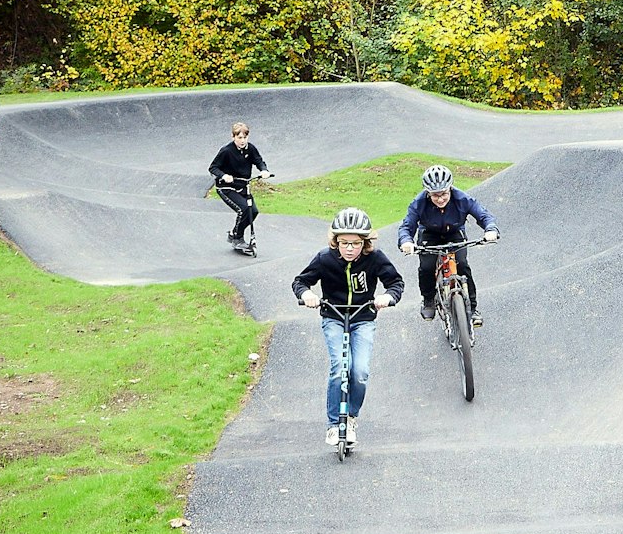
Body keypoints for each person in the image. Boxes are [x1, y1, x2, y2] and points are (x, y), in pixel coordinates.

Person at [294, 208, 404, 448]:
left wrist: (387, 297)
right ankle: (334, 424)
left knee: (360, 371)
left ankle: (350, 418)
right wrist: (307, 294)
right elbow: (300, 281)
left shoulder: (375, 259)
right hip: (333, 317)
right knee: (340, 368)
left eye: (356, 243)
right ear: (336, 241)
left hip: (363, 318)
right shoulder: (325, 258)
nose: (350, 248)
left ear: (365, 243)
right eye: (344, 243)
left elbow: (395, 282)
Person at [398, 165, 498, 325]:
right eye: (435, 195)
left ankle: (472, 309)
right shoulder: (418, 203)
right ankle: (429, 300)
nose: (440, 199)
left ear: (450, 188)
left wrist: (490, 229)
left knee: (463, 266)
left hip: (454, 233)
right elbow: (406, 226)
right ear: (427, 193)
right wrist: (406, 241)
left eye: (444, 194)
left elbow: (484, 215)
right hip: (429, 235)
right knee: (427, 267)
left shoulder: (462, 199)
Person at [209, 122, 272, 249]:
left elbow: (258, 161)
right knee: (243, 209)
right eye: (239, 138)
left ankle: (234, 233)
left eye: (245, 137)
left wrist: (264, 170)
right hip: (226, 188)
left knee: (253, 211)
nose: (243, 141)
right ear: (233, 137)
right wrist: (224, 176)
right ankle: (238, 238)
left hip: (243, 186)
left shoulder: (250, 148)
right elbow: (213, 167)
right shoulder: (226, 151)